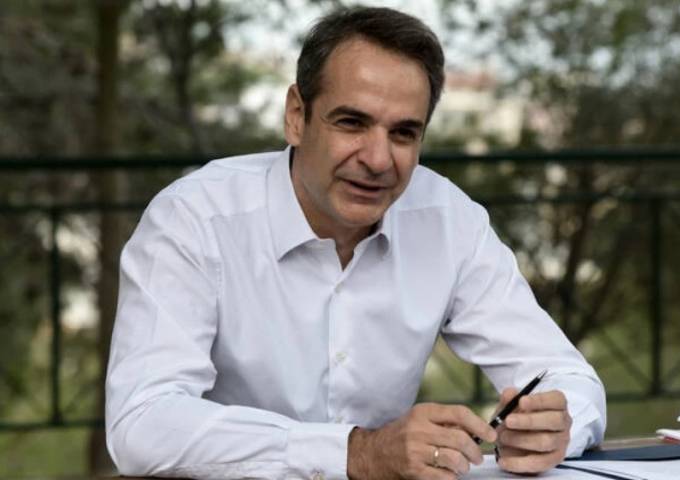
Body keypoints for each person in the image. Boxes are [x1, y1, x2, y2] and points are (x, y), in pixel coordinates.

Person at [105, 6, 606, 480]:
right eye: (352, 123)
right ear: (296, 116)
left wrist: (553, 427)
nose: (378, 159)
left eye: (403, 133)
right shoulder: (195, 218)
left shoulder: (449, 221)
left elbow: (570, 379)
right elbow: (142, 422)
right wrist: (355, 453)